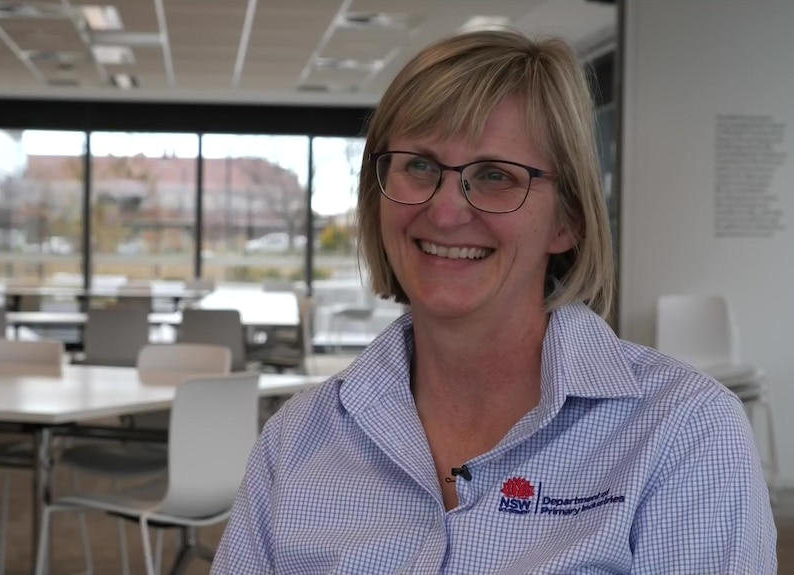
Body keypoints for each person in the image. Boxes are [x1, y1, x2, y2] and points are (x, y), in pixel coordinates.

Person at [211, 29, 776, 574]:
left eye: (495, 176)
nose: (447, 211)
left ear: (568, 221)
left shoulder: (684, 434)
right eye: (420, 166)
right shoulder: (297, 440)